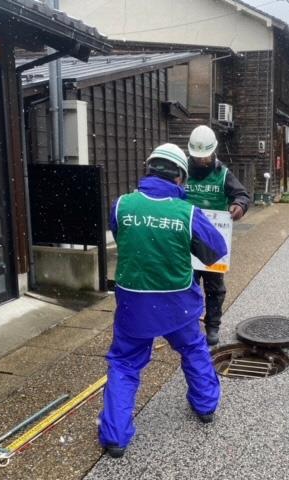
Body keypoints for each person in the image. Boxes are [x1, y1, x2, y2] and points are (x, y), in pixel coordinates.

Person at [98, 143, 228, 458]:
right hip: (177, 304)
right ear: (180, 178)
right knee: (193, 348)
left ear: (149, 170)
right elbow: (216, 251)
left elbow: (122, 236)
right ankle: (205, 405)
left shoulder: (122, 205)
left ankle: (115, 435)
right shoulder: (187, 213)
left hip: (133, 304)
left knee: (125, 363)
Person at [184, 125, 250, 346]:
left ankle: (212, 326)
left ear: (213, 152)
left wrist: (239, 206)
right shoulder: (181, 172)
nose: (202, 161)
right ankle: (190, 325)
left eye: (205, 157)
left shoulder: (223, 174)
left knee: (214, 288)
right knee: (187, 285)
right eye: (197, 157)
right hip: (185, 239)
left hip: (213, 240)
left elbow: (241, 194)